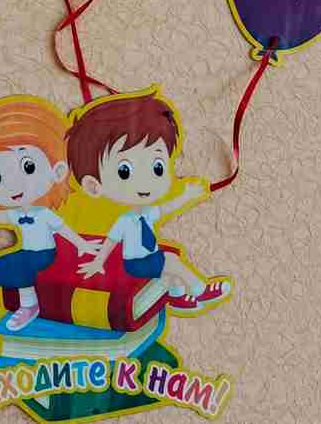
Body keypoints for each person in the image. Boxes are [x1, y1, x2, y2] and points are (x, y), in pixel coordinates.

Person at [69, 89, 229, 312]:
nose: (145, 182)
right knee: (171, 262)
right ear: (94, 185)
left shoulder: (146, 213)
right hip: (136, 264)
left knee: (169, 267)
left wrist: (186, 196)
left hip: (149, 257)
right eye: (124, 171)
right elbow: (111, 242)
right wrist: (98, 262)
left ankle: (177, 297)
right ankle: (200, 290)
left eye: (157, 167)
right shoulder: (125, 220)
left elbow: (166, 208)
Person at [0, 97, 99, 331]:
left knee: (21, 269)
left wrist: (82, 244)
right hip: (28, 252)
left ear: (58, 170)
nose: (13, 185)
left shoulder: (43, 213)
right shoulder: (16, 215)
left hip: (45, 254)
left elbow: (62, 229)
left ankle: (29, 306)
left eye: (28, 166)